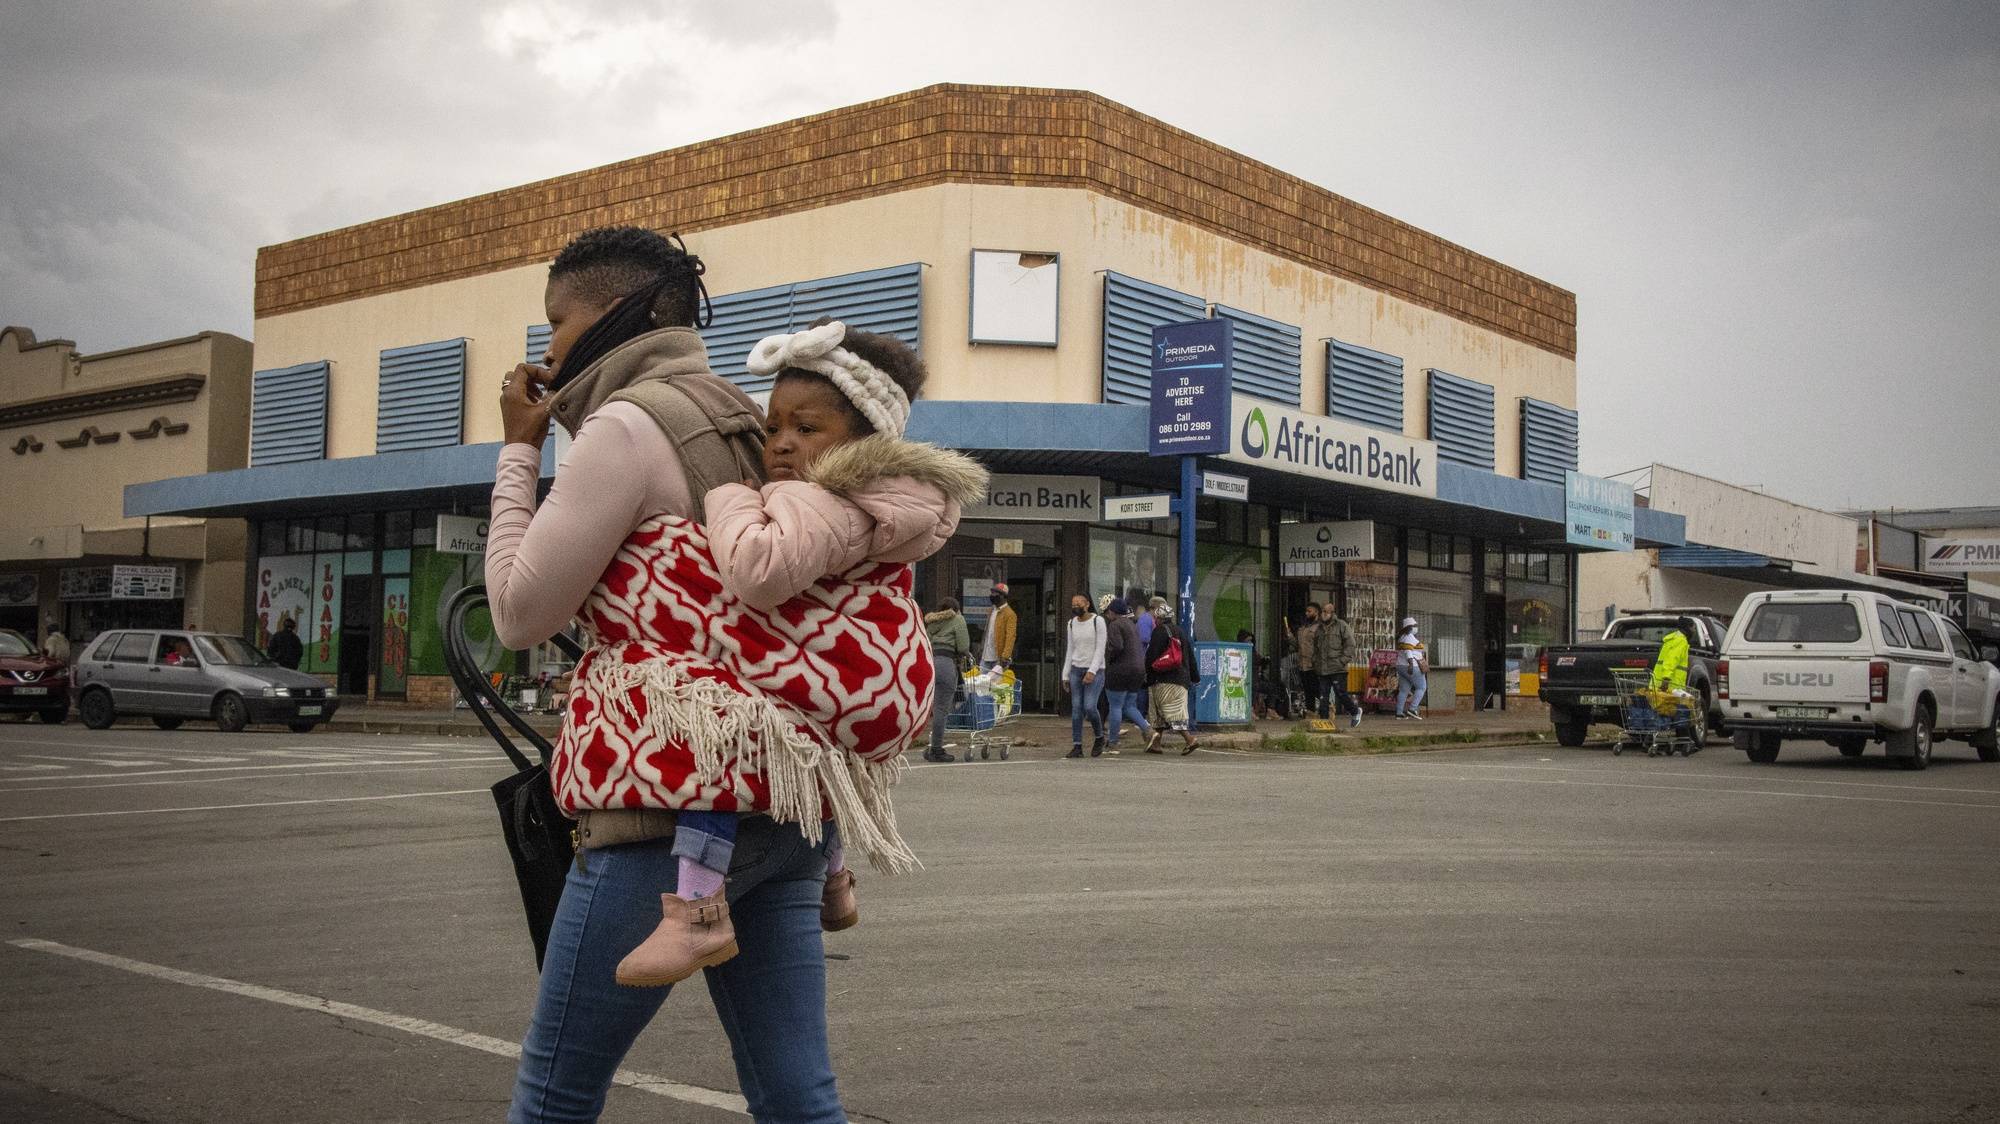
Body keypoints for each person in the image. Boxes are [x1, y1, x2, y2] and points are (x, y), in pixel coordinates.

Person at [485, 225, 846, 1123]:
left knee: (554, 1093)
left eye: (558, 323)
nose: (548, 349)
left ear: (614, 314)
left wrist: (518, 452)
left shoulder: (626, 426)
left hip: (661, 811)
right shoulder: (742, 417)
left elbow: (520, 613)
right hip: (783, 808)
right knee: (796, 1096)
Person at [615, 318, 984, 983]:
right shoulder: (881, 498)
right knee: (819, 750)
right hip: (871, 676)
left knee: (723, 738)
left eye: (806, 429)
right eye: (773, 427)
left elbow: (759, 574)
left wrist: (727, 499)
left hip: (844, 674)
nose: (782, 444)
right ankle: (834, 878)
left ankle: (697, 911)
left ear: (864, 440)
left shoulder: (826, 498)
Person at [1143, 598, 1199, 755]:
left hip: (1164, 680)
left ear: (1159, 618)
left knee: (1171, 713)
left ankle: (1190, 739)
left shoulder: (1159, 632)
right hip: (1181, 680)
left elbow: (1151, 656)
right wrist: (1195, 677)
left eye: (1156, 618)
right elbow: (1190, 656)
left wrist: (1146, 675)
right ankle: (1156, 744)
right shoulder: (1181, 632)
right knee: (1160, 714)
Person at [1100, 598, 1152, 753]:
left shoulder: (1115, 625)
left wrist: (1109, 660)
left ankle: (1113, 742)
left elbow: (1117, 646)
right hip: (1138, 669)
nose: (1108, 613)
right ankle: (1149, 730)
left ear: (1113, 612)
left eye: (1109, 610)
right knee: (1129, 705)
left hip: (1120, 670)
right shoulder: (1132, 625)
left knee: (1115, 706)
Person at [924, 597, 971, 763]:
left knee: (933, 708)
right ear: (956, 610)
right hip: (946, 664)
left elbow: (926, 642)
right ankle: (936, 749)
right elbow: (963, 646)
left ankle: (932, 745)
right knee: (941, 710)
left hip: (929, 664)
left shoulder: (931, 623)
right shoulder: (957, 619)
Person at [1061, 593, 1106, 758]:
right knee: (1076, 709)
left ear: (1087, 604)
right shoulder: (1071, 624)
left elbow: (1100, 649)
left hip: (1095, 669)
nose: (1076, 607)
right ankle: (1077, 745)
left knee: (1089, 706)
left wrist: (1092, 671)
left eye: (1079, 603)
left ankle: (1099, 736)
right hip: (1076, 668)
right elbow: (1070, 649)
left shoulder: (1097, 621)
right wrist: (1065, 675)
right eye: (1073, 604)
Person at [1314, 601, 1362, 728]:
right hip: (1323, 668)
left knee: (1341, 694)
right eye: (1322, 612)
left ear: (1331, 613)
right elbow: (1316, 648)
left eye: (1325, 611)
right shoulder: (1319, 629)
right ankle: (1323, 721)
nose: (1323, 614)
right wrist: (1315, 662)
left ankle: (1355, 711)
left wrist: (1342, 661)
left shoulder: (1341, 626)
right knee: (1323, 695)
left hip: (1338, 668)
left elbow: (1350, 645)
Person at [1395, 616, 1429, 720]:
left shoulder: (1402, 637)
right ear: (1409, 627)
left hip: (1401, 666)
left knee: (1404, 690)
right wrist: (1410, 663)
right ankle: (1412, 709)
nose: (1416, 627)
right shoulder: (1409, 637)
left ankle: (1399, 713)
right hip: (1411, 666)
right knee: (1422, 687)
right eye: (1414, 625)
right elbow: (1408, 651)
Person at [981, 582, 1016, 672]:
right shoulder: (992, 610)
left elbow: (1010, 637)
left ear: (1003, 596)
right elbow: (987, 633)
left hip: (998, 659)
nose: (992, 595)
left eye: (995, 593)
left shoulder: (1010, 614)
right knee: (982, 685)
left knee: (996, 686)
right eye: (992, 593)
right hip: (985, 657)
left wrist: (1005, 656)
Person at [1294, 605, 1321, 720]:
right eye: (1306, 611)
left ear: (1316, 612)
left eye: (1309, 611)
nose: (1306, 613)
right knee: (1308, 691)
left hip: (1314, 664)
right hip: (1303, 664)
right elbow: (1297, 645)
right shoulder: (1302, 628)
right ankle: (1311, 713)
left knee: (1317, 689)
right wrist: (1290, 637)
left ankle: (1328, 709)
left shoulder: (1320, 627)